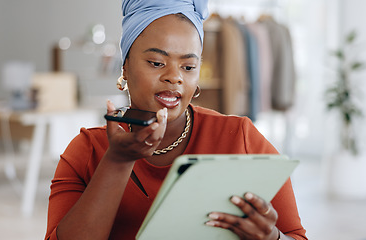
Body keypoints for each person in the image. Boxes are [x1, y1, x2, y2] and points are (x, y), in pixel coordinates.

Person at [44, 0, 307, 239]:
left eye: (188, 67)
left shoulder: (240, 138)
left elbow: (295, 236)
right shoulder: (86, 151)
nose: (175, 77)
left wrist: (272, 238)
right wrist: (117, 162)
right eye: (157, 63)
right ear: (125, 66)